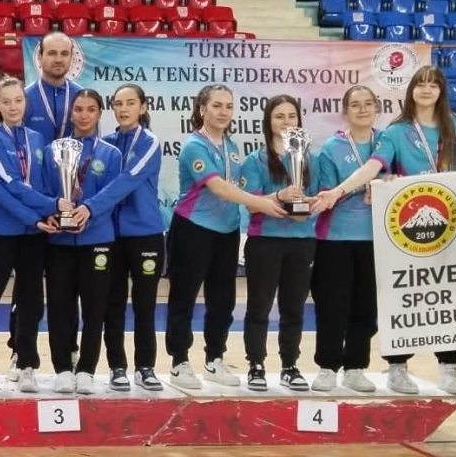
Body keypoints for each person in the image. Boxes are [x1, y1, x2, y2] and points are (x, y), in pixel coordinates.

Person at [322, 65, 456, 396]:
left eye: (433, 85)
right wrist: (338, 191)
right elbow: (375, 167)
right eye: (420, 84)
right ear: (410, 91)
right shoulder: (395, 132)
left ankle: (449, 366)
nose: (426, 90)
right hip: (406, 226)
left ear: (441, 91)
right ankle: (397, 366)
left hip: (448, 224)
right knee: (401, 295)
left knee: (448, 291)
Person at [165, 84, 288, 391]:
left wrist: (276, 197)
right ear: (202, 109)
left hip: (227, 231)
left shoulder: (232, 147)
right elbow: (219, 188)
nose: (223, 112)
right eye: (217, 106)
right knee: (184, 297)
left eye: (229, 106)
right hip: (192, 229)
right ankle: (179, 361)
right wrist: (262, 204)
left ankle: (214, 359)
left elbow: (239, 190)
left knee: (223, 299)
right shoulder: (194, 145)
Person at [0, 79, 60, 394]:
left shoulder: (37, 139)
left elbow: (43, 184)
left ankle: (26, 365)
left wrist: (46, 215)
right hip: (1, 232)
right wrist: (42, 212)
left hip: (33, 234)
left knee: (31, 301)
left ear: (25, 102)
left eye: (18, 100)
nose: (13, 107)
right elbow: (5, 187)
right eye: (6, 101)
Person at [40, 88, 130, 395]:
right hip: (59, 243)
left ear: (99, 113)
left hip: (98, 240)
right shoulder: (53, 151)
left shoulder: (111, 154)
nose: (83, 115)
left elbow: (112, 197)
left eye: (91, 109)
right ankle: (63, 368)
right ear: (71, 113)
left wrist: (86, 218)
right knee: (59, 307)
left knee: (95, 308)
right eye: (78, 109)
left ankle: (87, 369)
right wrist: (53, 212)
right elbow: (46, 191)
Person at [238, 95, 320, 392]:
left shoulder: (311, 160)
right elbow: (251, 204)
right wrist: (281, 197)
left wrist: (303, 210)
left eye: (291, 116)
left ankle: (289, 365)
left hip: (302, 241)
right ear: (268, 122)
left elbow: (316, 199)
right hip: (265, 242)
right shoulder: (254, 161)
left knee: (294, 307)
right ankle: (256, 365)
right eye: (279, 116)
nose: (286, 122)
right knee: (259, 307)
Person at [310, 85, 385, 394]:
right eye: (355, 105)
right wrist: (360, 188)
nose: (363, 109)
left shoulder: (387, 142)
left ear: (377, 108)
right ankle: (327, 367)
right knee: (332, 304)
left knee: (366, 306)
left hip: (378, 238)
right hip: (335, 237)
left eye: (368, 103)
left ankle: (356, 367)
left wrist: (383, 185)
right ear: (345, 112)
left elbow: (401, 180)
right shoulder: (332, 147)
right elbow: (327, 193)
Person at [101, 84, 166, 393]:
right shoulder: (106, 144)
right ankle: (117, 367)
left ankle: (145, 367)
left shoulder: (150, 142)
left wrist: (89, 208)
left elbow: (126, 181)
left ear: (143, 107)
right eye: (118, 103)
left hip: (145, 235)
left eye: (130, 103)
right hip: (111, 236)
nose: (123, 109)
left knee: (145, 304)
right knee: (112, 303)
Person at [24, 30, 79, 145]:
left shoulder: (81, 96)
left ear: (71, 57)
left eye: (64, 54)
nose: (58, 60)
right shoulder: (24, 98)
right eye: (52, 53)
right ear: (40, 56)